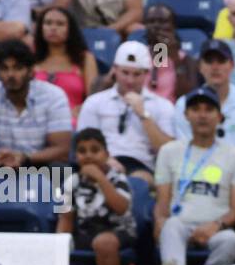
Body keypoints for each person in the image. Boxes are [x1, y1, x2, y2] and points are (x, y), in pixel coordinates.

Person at [153, 85, 235, 265]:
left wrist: (216, 225)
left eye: (209, 110)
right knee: (170, 226)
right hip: (180, 223)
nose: (202, 115)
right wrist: (159, 221)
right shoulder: (168, 151)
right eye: (196, 110)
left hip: (217, 226)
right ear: (186, 115)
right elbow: (162, 203)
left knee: (232, 241)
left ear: (220, 116)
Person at [75, 39, 175, 181]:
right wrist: (105, 160)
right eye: (125, 73)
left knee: (138, 181)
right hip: (102, 163)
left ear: (147, 73)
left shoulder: (162, 106)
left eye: (136, 74)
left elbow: (169, 152)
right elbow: (82, 143)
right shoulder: (95, 102)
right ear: (114, 69)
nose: (130, 80)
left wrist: (144, 116)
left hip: (142, 166)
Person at [0, 38, 72, 169]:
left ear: (30, 71)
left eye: (18, 68)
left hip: (38, 164)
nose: (10, 74)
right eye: (4, 68)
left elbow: (61, 150)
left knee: (62, 170)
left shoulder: (53, 96)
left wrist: (25, 158)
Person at [56, 126, 135, 265]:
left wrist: (100, 179)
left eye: (95, 150)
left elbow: (121, 208)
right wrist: (59, 245)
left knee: (104, 243)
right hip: (85, 233)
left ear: (106, 155)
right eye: (82, 151)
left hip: (118, 231)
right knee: (59, 244)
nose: (89, 156)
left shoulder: (117, 178)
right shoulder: (71, 182)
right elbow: (66, 220)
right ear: (76, 157)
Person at [172, 39, 235, 156]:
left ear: (232, 65)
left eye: (221, 61)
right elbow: (184, 149)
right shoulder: (184, 104)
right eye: (209, 61)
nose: (215, 67)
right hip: (194, 169)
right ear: (200, 67)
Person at [33, 4, 97, 119]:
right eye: (48, 23)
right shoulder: (31, 59)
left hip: (72, 122)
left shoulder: (84, 59)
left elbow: (93, 100)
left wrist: (81, 110)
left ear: (70, 29)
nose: (53, 28)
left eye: (60, 24)